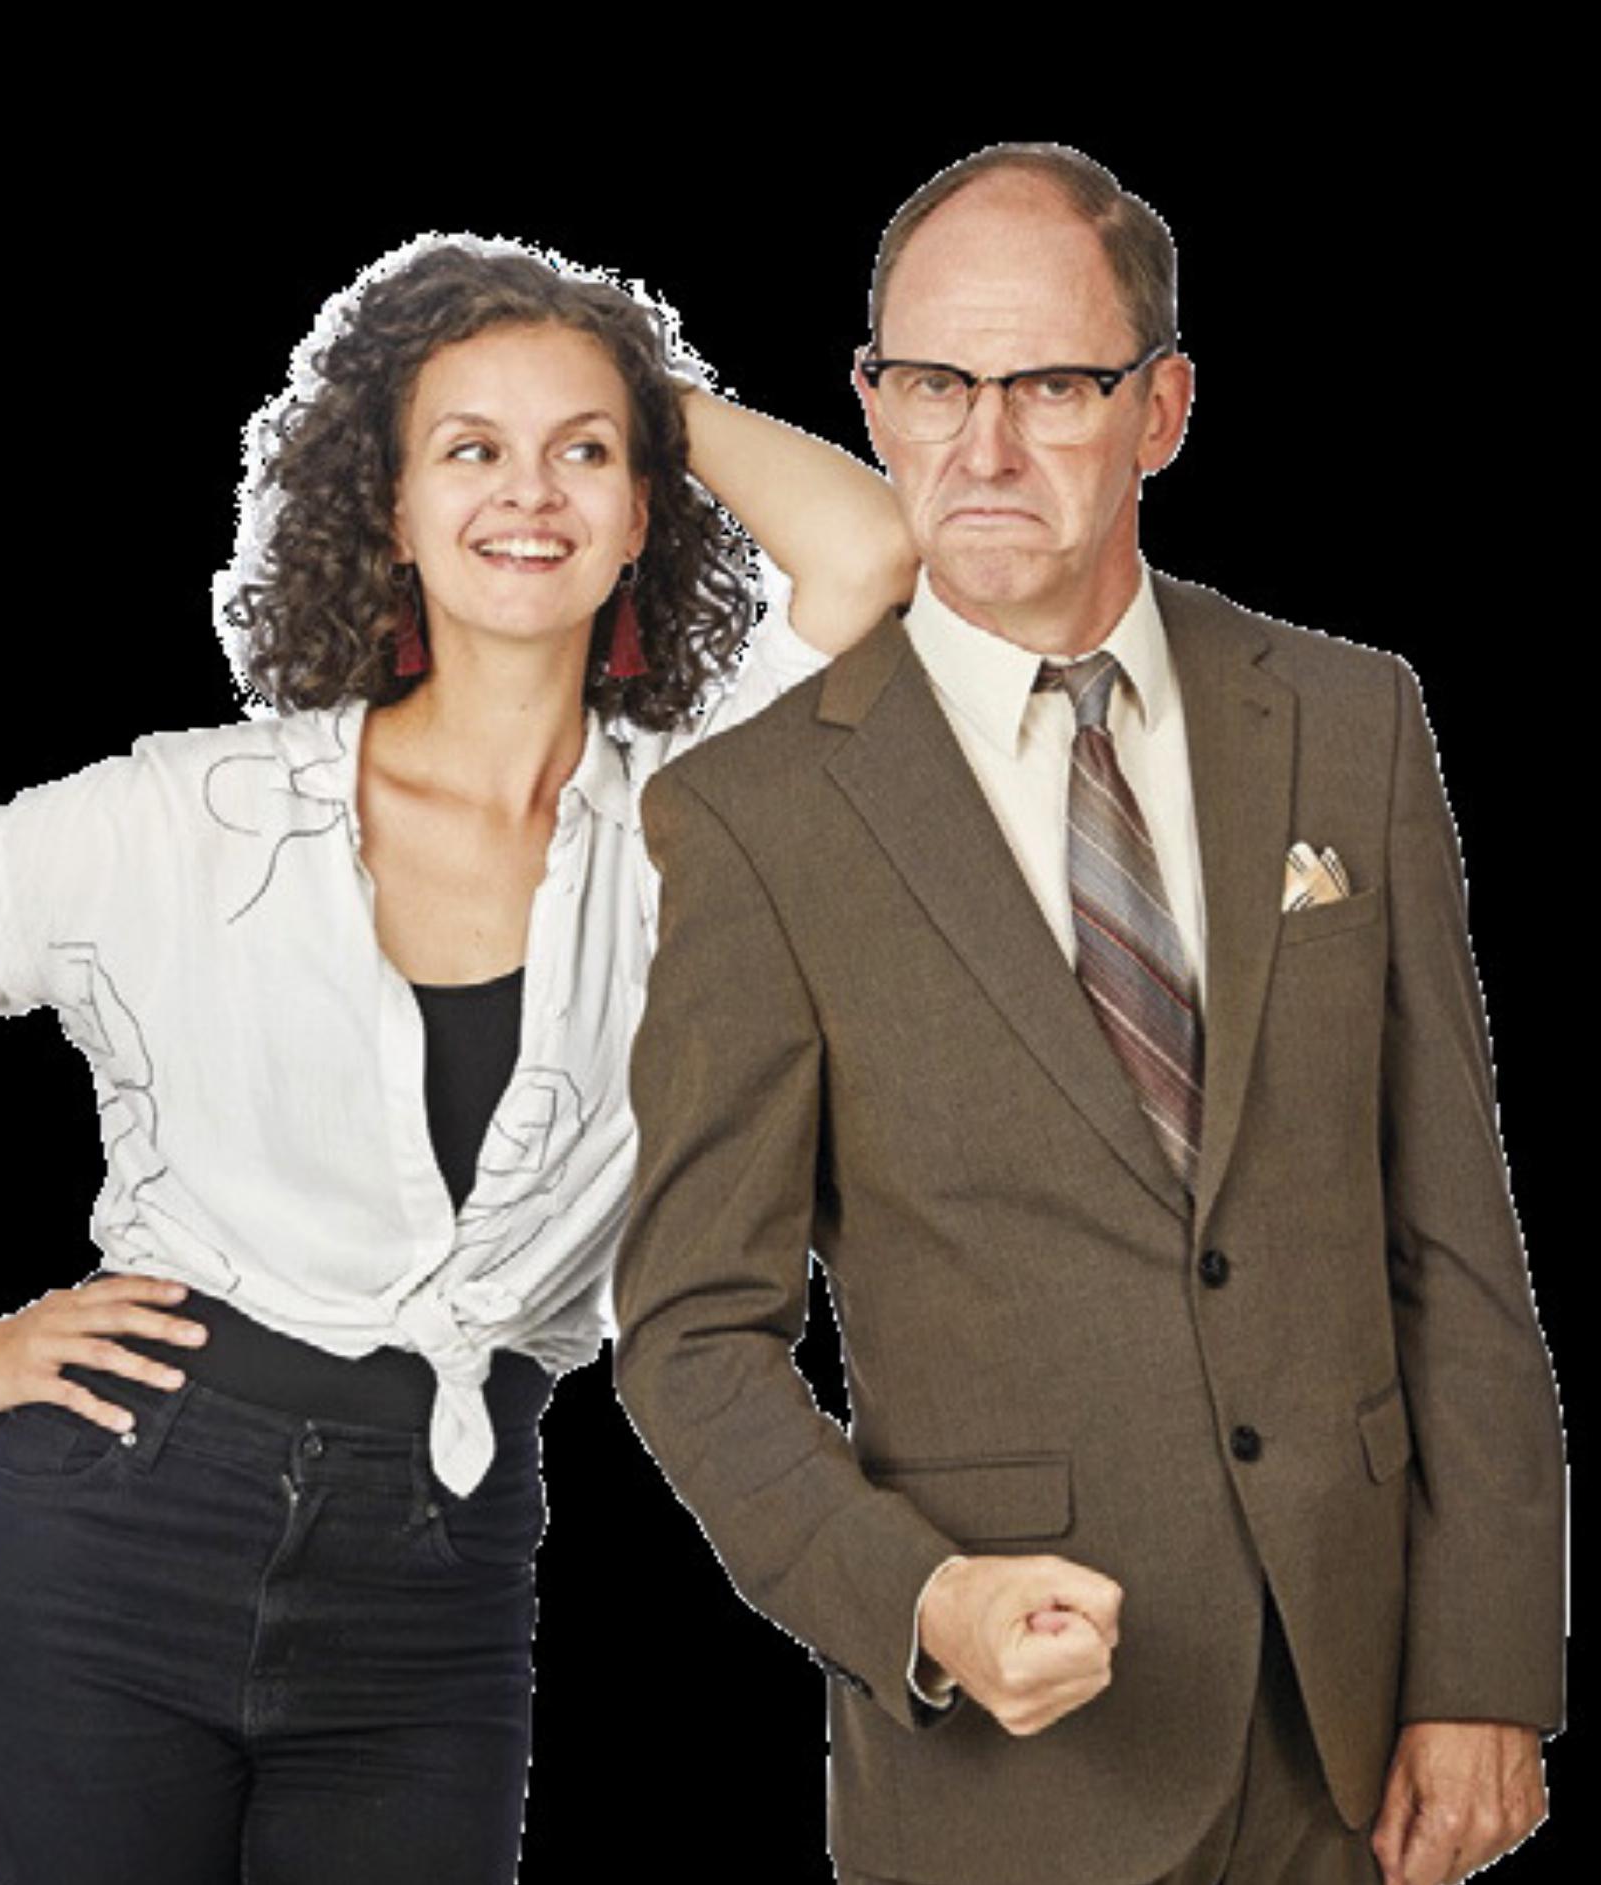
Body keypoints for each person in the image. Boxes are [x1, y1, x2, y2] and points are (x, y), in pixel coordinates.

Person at [0, 236, 910, 1885]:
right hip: (119, 1539)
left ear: (645, 511)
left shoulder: (703, 815)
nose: (530, 491)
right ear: (392, 509)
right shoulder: (194, 816)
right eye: (468, 449)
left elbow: (871, 547)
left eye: (581, 454)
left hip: (437, 1580)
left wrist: (627, 378)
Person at [613, 144, 1565, 1885]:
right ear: (873, 405)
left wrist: (1485, 1662)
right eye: (933, 385)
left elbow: (1453, 1234)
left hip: (1356, 1743)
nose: (982, 446)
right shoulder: (754, 820)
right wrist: (917, 1601)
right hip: (1013, 1765)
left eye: (1051, 385)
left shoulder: (1349, 720)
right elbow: (691, 1331)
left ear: (1162, 410)